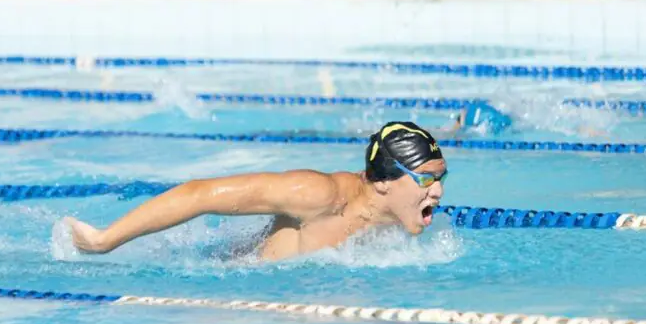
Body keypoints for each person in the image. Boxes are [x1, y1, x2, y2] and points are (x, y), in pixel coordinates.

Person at [64, 121, 448, 262]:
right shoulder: (319, 195)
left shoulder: (397, 221)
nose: (439, 192)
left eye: (441, 177)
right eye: (427, 179)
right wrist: (105, 241)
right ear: (382, 180)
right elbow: (202, 194)